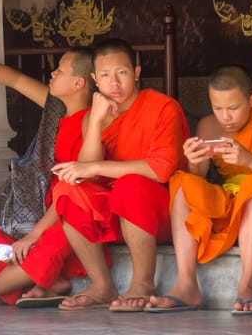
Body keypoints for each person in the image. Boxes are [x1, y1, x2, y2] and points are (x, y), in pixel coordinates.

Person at [145, 65, 252, 315]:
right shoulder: (209, 126)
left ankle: (247, 283)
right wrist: (195, 162)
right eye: (217, 108)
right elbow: (198, 180)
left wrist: (251, 162)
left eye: (233, 108)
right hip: (231, 201)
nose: (225, 117)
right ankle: (187, 284)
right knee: (181, 181)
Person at [0, 48, 94, 306]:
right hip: (35, 201)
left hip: (63, 208)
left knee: (57, 236)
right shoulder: (55, 108)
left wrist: (34, 234)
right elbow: (14, 79)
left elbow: (73, 190)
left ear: (78, 83)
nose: (53, 73)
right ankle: (42, 278)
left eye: (60, 69)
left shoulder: (92, 124)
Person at [51, 38, 188, 311]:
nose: (114, 83)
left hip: (160, 212)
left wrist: (97, 167)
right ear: (94, 80)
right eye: (105, 75)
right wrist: (96, 121)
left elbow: (160, 170)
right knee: (67, 190)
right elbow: (85, 174)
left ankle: (142, 283)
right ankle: (101, 285)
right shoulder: (94, 114)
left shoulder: (162, 107)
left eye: (122, 73)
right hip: (114, 215)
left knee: (130, 185)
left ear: (136, 72)